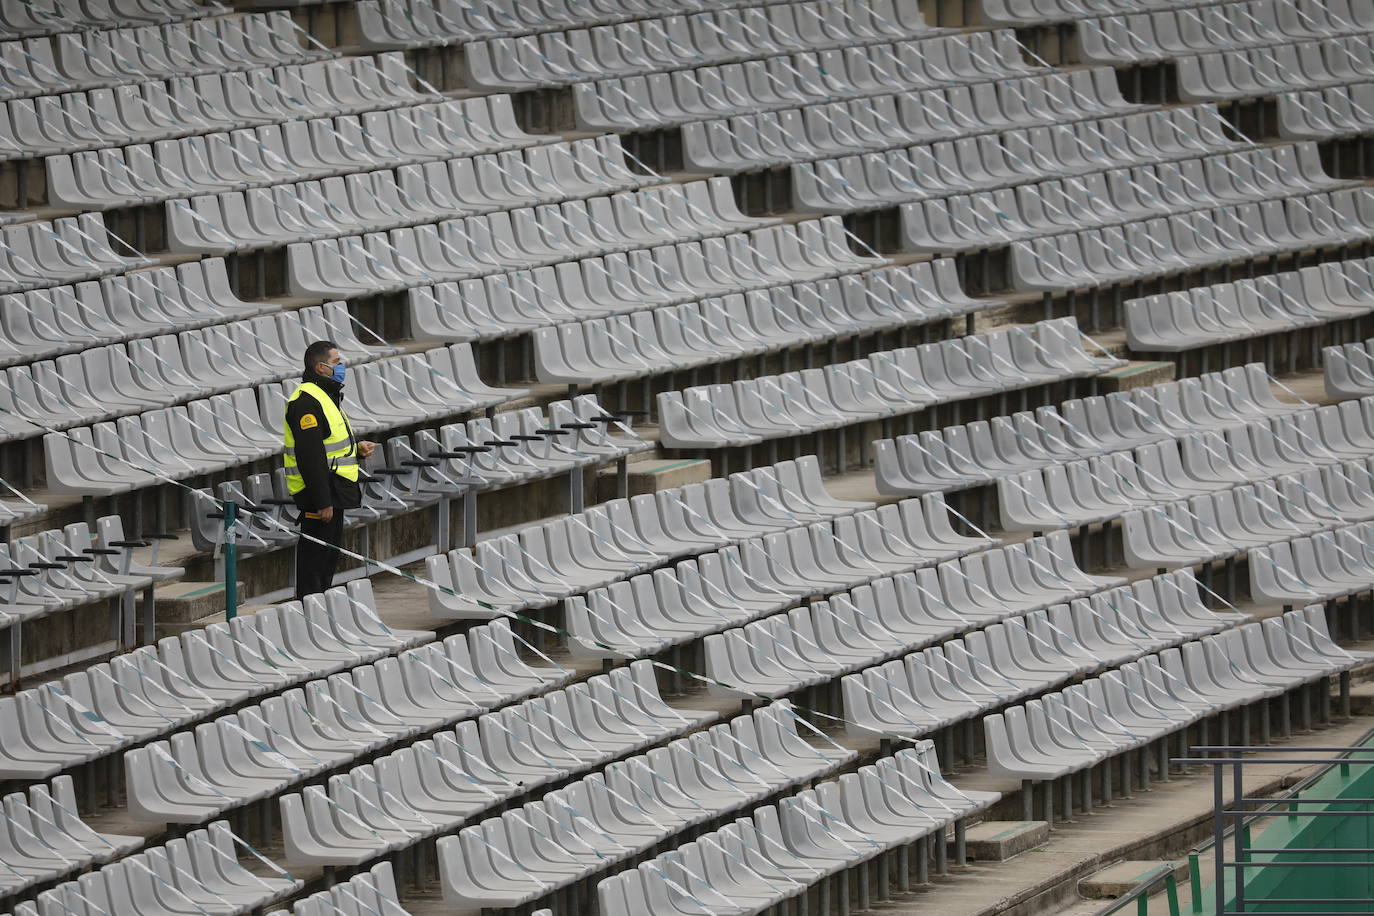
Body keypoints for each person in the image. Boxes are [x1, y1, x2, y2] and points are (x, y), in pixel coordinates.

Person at [283, 340, 376, 598]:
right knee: (314, 564)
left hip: (333, 490)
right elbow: (310, 456)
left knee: (327, 562)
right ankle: (308, 616)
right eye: (337, 362)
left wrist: (356, 450)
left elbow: (326, 446)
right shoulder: (305, 402)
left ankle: (319, 613)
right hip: (319, 496)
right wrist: (323, 501)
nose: (342, 367)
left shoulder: (326, 396)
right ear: (321, 367)